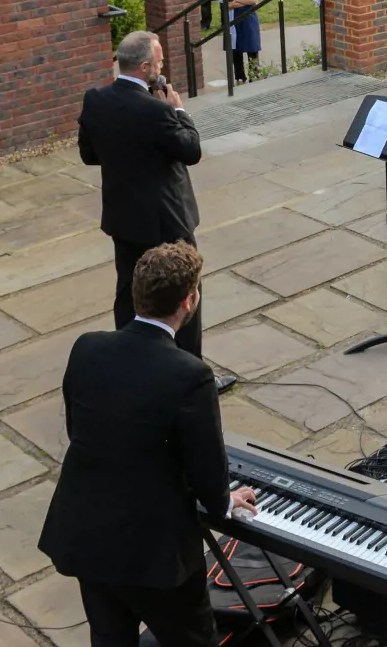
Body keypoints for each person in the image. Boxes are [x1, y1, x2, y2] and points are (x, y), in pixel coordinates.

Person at [38, 243, 253, 647]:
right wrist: (224, 501)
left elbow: (77, 428)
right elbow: (205, 467)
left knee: (110, 637)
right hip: (153, 553)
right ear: (189, 301)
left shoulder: (87, 347)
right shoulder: (190, 375)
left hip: (88, 533)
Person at [80, 31, 219, 363]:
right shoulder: (157, 111)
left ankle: (129, 363)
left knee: (130, 291)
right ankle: (188, 368)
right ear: (144, 67)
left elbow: (89, 154)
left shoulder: (95, 100)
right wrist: (180, 111)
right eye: (159, 61)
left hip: (124, 218)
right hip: (166, 221)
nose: (162, 65)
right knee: (184, 293)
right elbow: (191, 150)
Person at [217, 0, 263, 85]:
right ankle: (240, 78)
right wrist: (246, 1)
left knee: (252, 48)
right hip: (233, 21)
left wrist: (236, 0)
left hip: (249, 20)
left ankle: (255, 76)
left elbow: (254, 0)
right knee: (235, 50)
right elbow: (226, 4)